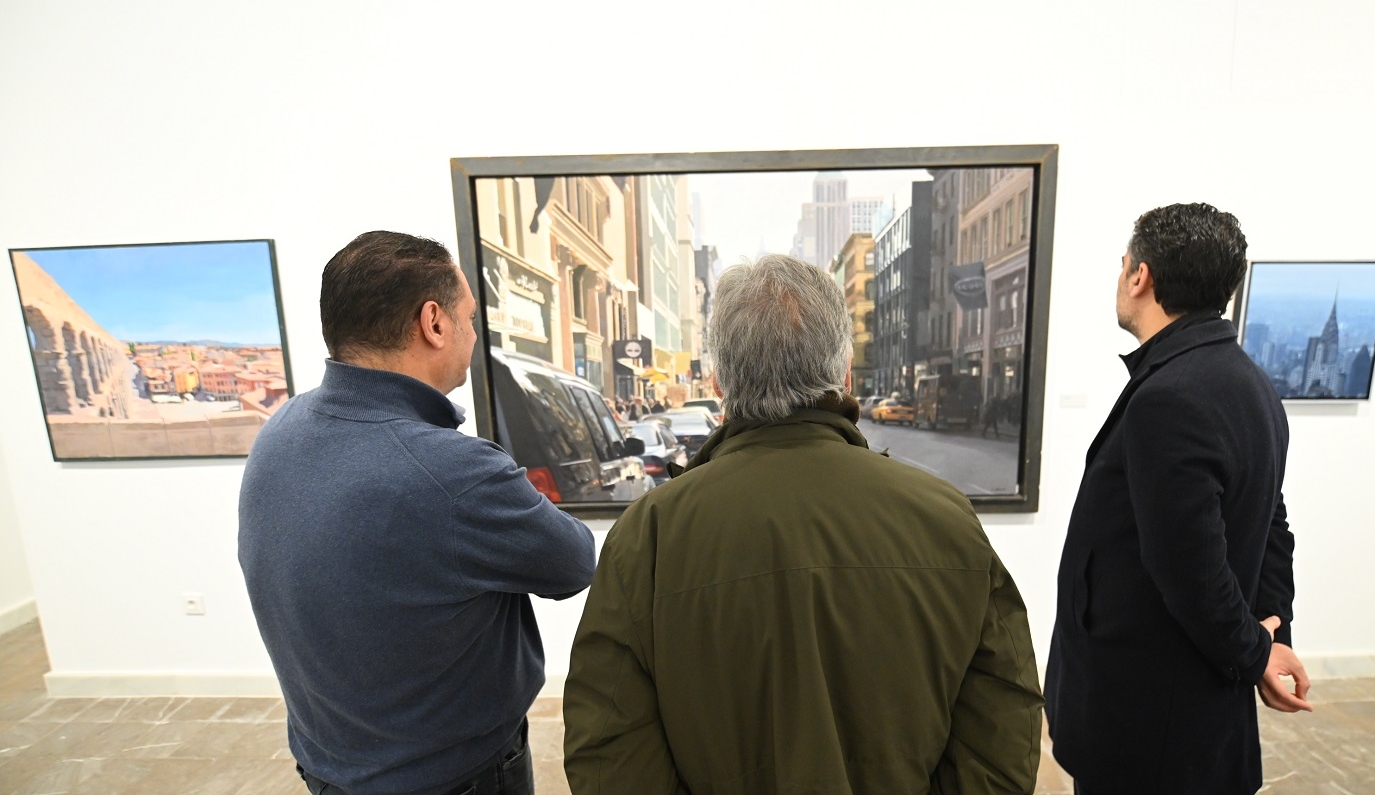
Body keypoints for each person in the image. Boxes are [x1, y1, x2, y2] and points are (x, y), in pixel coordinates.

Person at [563, 254, 1044, 795]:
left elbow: (609, 750)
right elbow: (1003, 729)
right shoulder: (946, 518)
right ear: (842, 377)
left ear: (719, 383)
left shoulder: (647, 536)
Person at [239, 231, 596, 795]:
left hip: (331, 765)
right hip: (453, 776)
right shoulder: (453, 471)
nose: (474, 336)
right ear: (433, 323)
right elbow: (576, 561)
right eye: (470, 319)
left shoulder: (280, 430)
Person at [1045, 204, 1310, 795]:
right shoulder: (1248, 381)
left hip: (1150, 722)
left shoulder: (1172, 396)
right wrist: (1274, 630)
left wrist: (1257, 650)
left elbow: (1189, 568)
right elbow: (1273, 524)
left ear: (1140, 276)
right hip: (1189, 710)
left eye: (1123, 266)